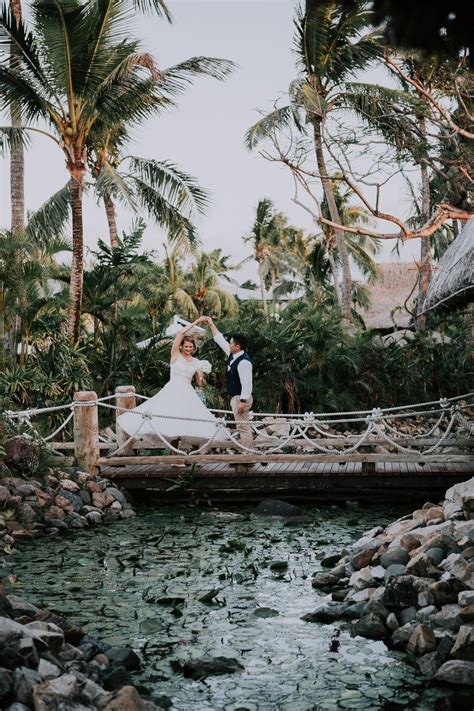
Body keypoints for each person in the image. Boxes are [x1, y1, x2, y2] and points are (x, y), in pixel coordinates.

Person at [116, 317, 228, 448]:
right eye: (186, 346)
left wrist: (202, 375)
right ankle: (174, 454)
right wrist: (196, 322)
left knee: (188, 422)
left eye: (190, 347)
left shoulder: (197, 362)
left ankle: (186, 455)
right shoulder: (175, 355)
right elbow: (180, 333)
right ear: (181, 346)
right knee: (171, 420)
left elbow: (200, 384)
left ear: (194, 348)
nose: (188, 348)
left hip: (187, 393)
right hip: (172, 391)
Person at [205, 317, 253, 449]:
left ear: (237, 346)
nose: (229, 345)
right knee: (242, 426)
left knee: (243, 427)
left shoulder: (243, 362)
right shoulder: (233, 355)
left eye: (231, 343)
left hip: (240, 397)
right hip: (236, 397)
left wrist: (242, 401)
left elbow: (247, 383)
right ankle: (247, 451)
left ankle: (248, 454)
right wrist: (211, 324)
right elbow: (219, 339)